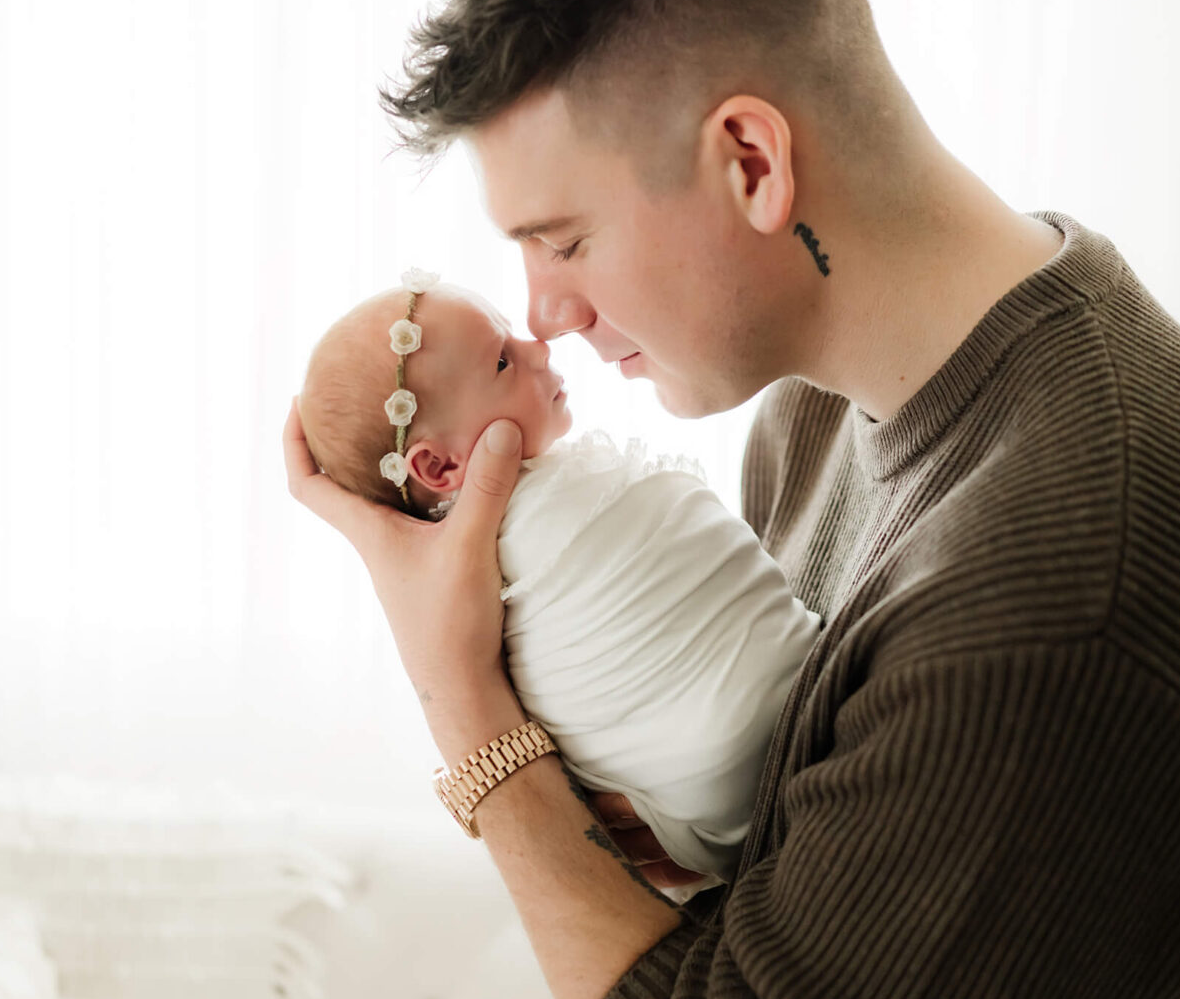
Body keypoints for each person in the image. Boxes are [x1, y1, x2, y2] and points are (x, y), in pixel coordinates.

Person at [282, 0, 1180, 999]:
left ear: (750, 159)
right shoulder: (814, 413)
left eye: (564, 240)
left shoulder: (1078, 595)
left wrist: (462, 700)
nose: (548, 314)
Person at [296, 274, 820, 886]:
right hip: (775, 726)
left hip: (710, 809)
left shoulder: (488, 571)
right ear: (439, 465)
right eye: (502, 360)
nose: (540, 349)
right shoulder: (513, 554)